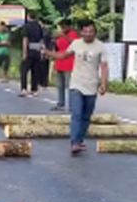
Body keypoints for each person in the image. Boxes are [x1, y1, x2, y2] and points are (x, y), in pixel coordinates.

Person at [44, 20, 108, 155]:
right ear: (81, 32)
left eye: (91, 31)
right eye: (85, 31)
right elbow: (63, 55)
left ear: (95, 32)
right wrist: (48, 52)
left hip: (91, 85)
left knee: (86, 116)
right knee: (76, 113)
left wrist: (103, 84)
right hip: (76, 84)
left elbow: (104, 67)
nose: (88, 34)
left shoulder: (100, 47)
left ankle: (79, 140)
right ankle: (74, 143)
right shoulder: (76, 43)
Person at [52, 20, 79, 111]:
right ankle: (60, 103)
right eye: (61, 27)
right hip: (59, 62)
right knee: (60, 85)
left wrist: (64, 35)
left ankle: (72, 105)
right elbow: (56, 47)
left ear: (69, 26)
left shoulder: (73, 34)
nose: (63, 29)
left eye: (64, 27)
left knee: (70, 86)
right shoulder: (59, 36)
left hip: (69, 63)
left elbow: (74, 44)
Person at [20, 14, 45, 97]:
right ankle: (34, 90)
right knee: (35, 71)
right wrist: (42, 52)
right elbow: (41, 40)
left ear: (28, 17)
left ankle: (24, 89)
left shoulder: (26, 26)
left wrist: (24, 53)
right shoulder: (39, 26)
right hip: (37, 50)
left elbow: (25, 39)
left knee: (24, 71)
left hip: (29, 50)